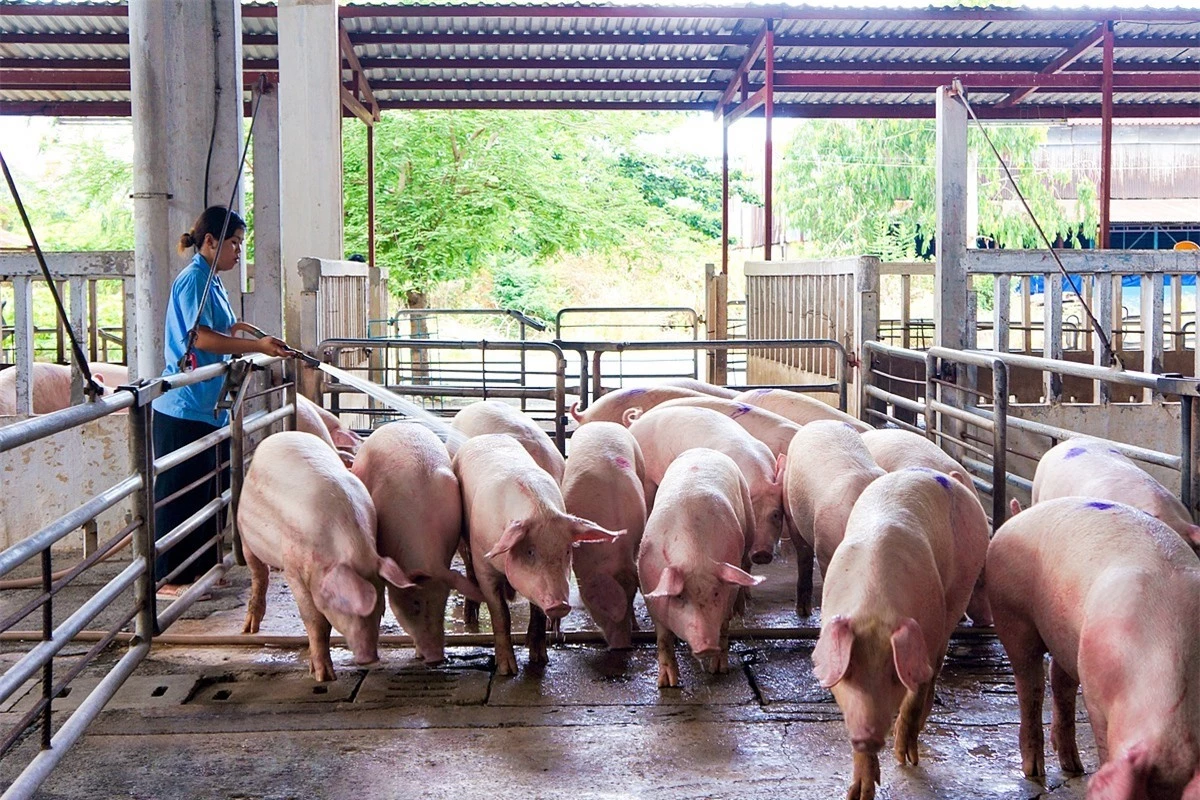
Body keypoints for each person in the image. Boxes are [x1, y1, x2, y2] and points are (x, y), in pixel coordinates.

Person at [152, 206, 291, 601]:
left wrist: (245, 331)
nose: (237, 252)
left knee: (206, 491)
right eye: (233, 244)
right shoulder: (193, 280)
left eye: (240, 244)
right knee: (180, 495)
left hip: (209, 406)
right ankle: (169, 578)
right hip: (185, 407)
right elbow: (200, 339)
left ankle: (199, 569)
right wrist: (254, 346)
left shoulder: (211, 281)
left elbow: (220, 330)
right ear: (210, 241)